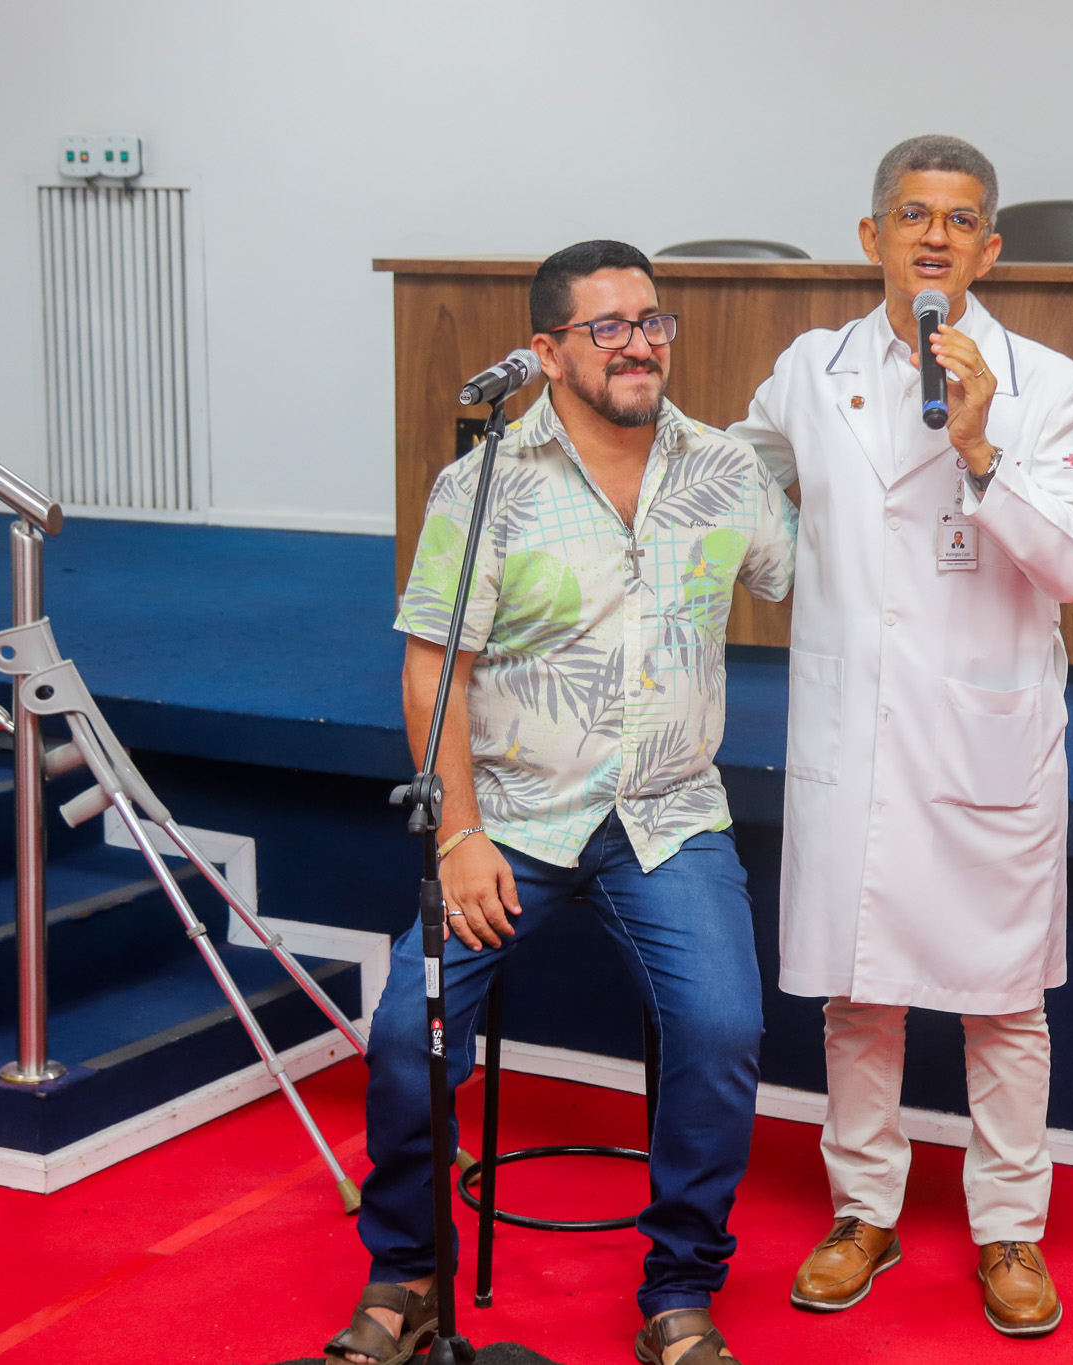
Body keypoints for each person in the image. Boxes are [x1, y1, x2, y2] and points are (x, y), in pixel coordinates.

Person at [326, 240, 797, 1365]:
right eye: (608, 327)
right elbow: (433, 670)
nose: (640, 345)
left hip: (667, 816)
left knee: (723, 1028)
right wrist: (458, 834)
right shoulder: (485, 482)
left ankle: (679, 1287)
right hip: (512, 822)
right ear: (545, 352)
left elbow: (809, 580)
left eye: (652, 321)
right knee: (406, 1036)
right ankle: (407, 1274)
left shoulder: (724, 469)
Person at [729, 135, 1073, 1338]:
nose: (932, 236)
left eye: (956, 220)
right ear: (871, 237)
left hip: (982, 734)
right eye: (910, 215)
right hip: (854, 732)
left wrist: (981, 449)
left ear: (988, 249)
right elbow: (737, 480)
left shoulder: (1048, 383)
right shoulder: (811, 368)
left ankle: (1008, 1229)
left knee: (1003, 1003)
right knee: (857, 996)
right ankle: (863, 1212)